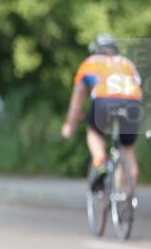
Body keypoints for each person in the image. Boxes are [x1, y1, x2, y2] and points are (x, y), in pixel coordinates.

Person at [60, 34, 142, 193]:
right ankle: (129, 198)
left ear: (95, 50)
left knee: (94, 133)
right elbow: (139, 88)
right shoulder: (127, 63)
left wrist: (70, 125)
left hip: (104, 102)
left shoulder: (90, 63)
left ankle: (100, 163)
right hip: (133, 104)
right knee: (128, 150)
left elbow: (77, 100)